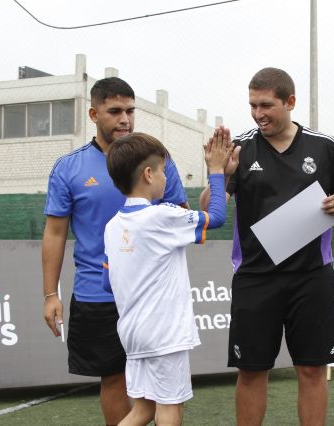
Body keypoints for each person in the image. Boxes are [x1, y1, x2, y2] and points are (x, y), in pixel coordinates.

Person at [200, 67, 334, 425]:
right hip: (256, 278)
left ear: (290, 102)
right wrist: (219, 171)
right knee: (252, 371)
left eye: (266, 105)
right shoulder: (240, 147)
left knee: (312, 370)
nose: (258, 114)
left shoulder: (325, 146)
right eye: (252, 105)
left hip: (312, 277)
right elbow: (210, 208)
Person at [42, 77, 189, 425]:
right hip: (98, 292)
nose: (125, 119)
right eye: (115, 111)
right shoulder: (69, 168)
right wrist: (50, 293)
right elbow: (55, 233)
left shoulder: (157, 160)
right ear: (94, 113)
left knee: (162, 390)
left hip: (153, 297)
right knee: (114, 378)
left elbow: (180, 219)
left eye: (130, 111)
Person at [102, 132, 232, 425]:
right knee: (170, 407)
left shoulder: (111, 226)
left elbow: (105, 282)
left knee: (142, 410)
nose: (165, 177)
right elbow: (217, 218)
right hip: (164, 334)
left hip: (133, 333)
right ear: (149, 174)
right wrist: (216, 170)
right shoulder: (161, 215)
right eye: (163, 170)